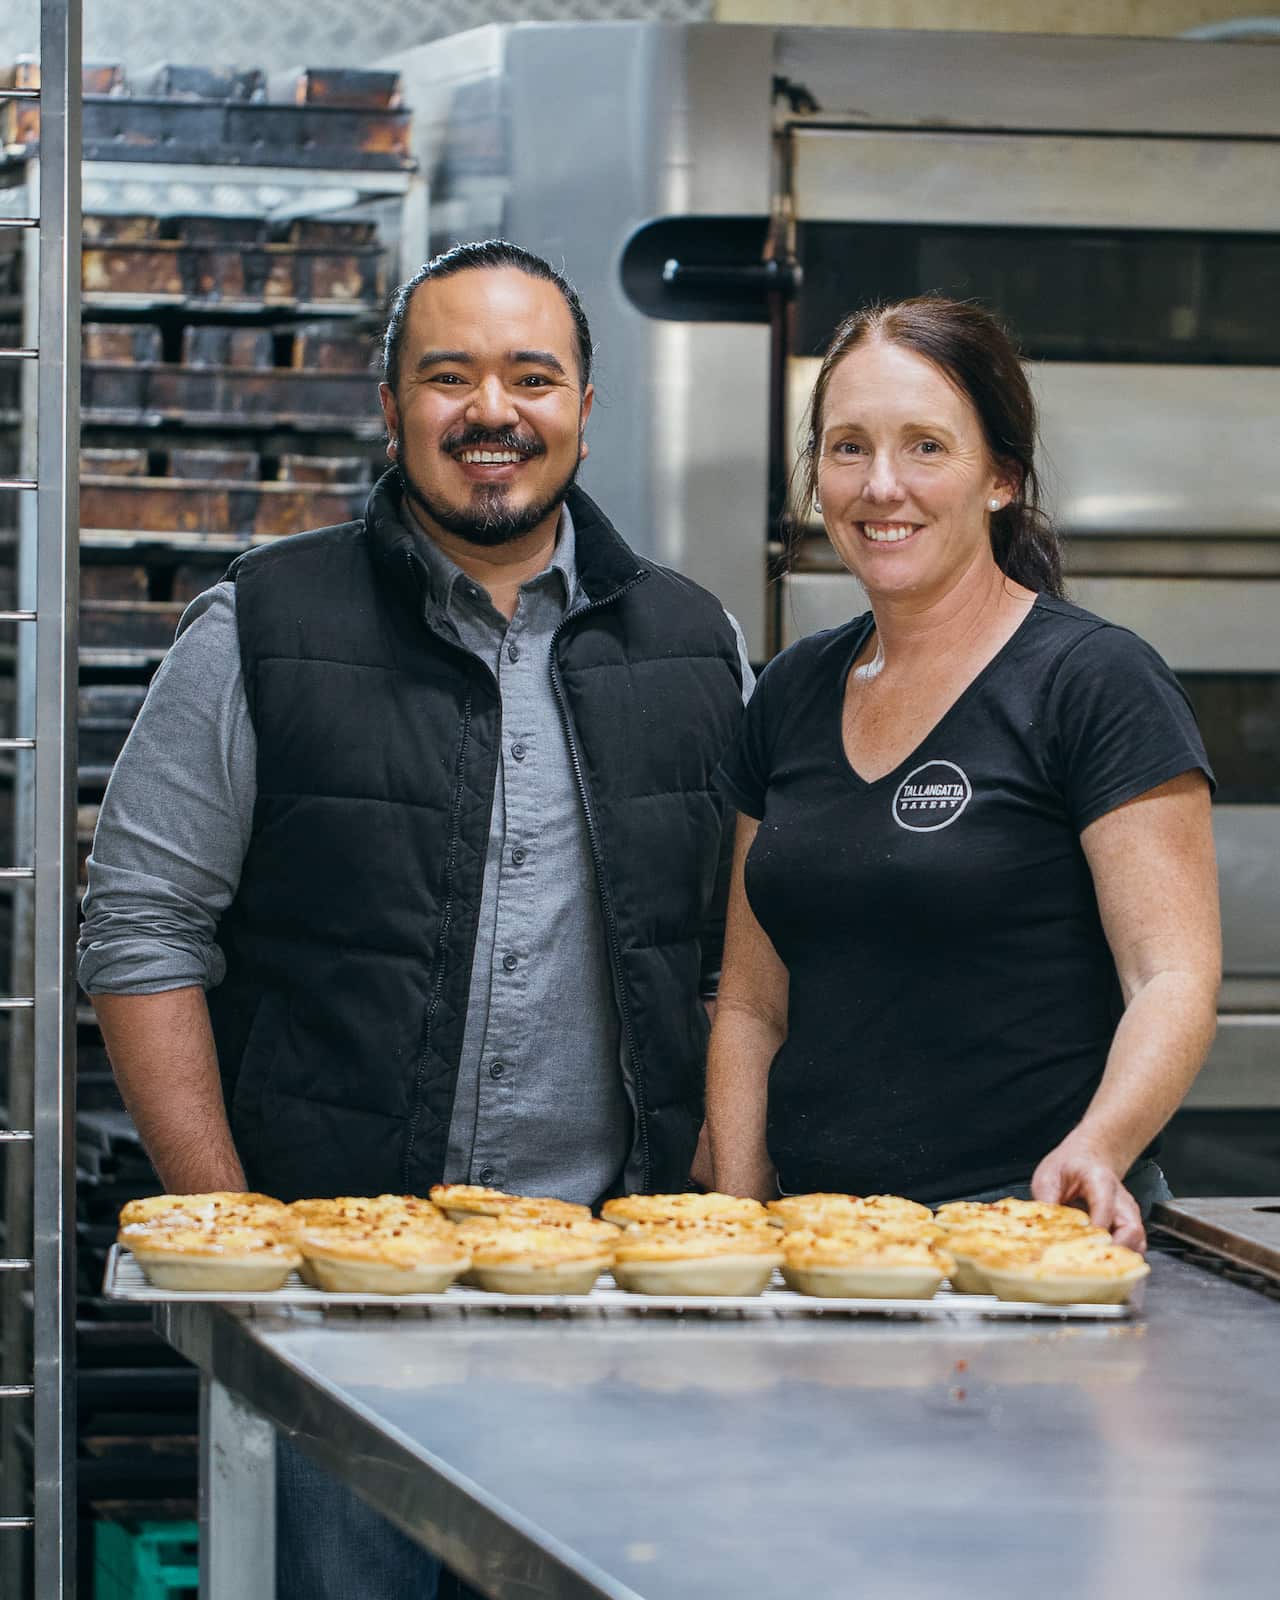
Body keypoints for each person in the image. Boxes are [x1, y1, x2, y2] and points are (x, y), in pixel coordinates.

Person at [78, 240, 751, 1600]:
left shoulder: (696, 644)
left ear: (583, 403)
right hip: (342, 1309)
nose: (491, 411)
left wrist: (715, 1228)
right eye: (448, 375)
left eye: (531, 375)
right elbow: (141, 929)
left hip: (609, 1304)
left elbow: (740, 972)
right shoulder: (259, 626)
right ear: (389, 404)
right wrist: (243, 1247)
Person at [706, 296, 1220, 1252]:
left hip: (1023, 1232)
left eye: (927, 447)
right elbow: (748, 1002)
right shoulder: (790, 691)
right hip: (822, 1240)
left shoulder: (1093, 681)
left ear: (1001, 478)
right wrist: (740, 1221)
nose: (880, 485)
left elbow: (1173, 975)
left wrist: (1098, 1147)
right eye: (848, 447)